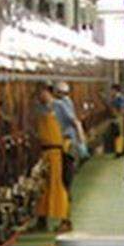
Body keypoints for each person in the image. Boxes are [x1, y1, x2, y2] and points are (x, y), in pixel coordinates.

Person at [36, 85, 72, 233]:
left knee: (59, 186)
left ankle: (65, 220)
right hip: (45, 152)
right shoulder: (40, 108)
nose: (39, 96)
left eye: (41, 92)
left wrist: (73, 143)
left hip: (58, 151)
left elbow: (73, 123)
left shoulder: (60, 106)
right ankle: (42, 219)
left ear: (48, 92)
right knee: (43, 187)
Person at [53, 82, 89, 192]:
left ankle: (65, 193)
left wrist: (81, 139)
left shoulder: (60, 104)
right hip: (65, 139)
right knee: (68, 166)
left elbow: (74, 121)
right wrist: (81, 140)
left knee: (66, 167)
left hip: (64, 140)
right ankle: (65, 192)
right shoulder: (65, 102)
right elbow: (75, 122)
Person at [109, 84, 124, 157]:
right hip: (117, 117)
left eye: (112, 90)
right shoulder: (115, 98)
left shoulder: (119, 98)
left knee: (119, 133)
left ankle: (119, 151)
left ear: (115, 90)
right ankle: (118, 150)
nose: (111, 92)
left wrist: (118, 114)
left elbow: (122, 109)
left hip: (119, 117)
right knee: (117, 134)